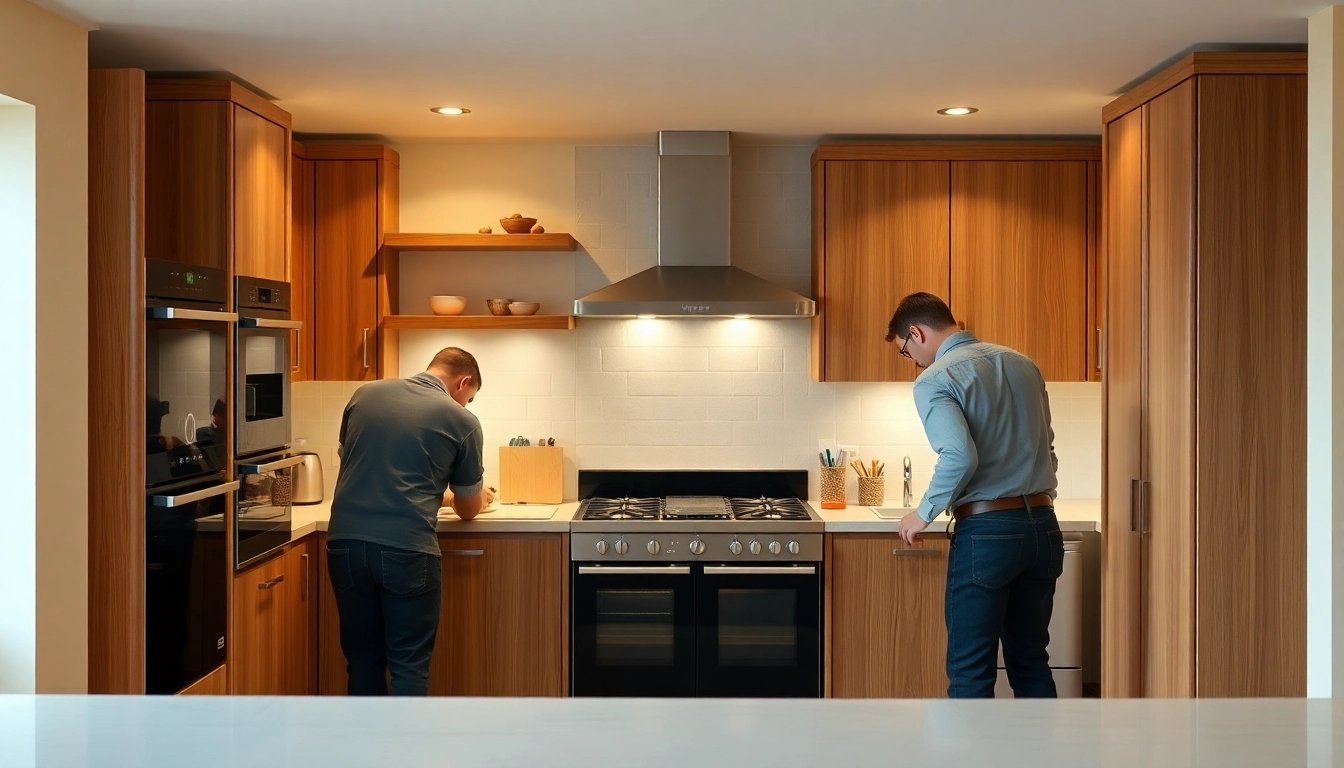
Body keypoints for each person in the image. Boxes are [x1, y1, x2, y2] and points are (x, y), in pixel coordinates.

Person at [887, 292, 1064, 699]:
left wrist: (922, 513)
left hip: (988, 532)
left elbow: (959, 455)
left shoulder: (935, 379)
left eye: (905, 349)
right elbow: (1047, 448)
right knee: (1031, 661)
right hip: (1043, 528)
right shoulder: (1024, 364)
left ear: (916, 333)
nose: (912, 359)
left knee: (971, 671)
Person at [326, 347, 496, 696]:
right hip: (406, 549)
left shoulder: (365, 394)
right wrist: (481, 497)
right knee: (408, 665)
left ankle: (367, 749)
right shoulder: (462, 421)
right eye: (470, 397)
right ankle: (405, 750)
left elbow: (353, 463)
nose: (467, 404)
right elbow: (467, 509)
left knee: (362, 661)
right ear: (464, 382)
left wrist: (441, 495)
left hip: (344, 544)